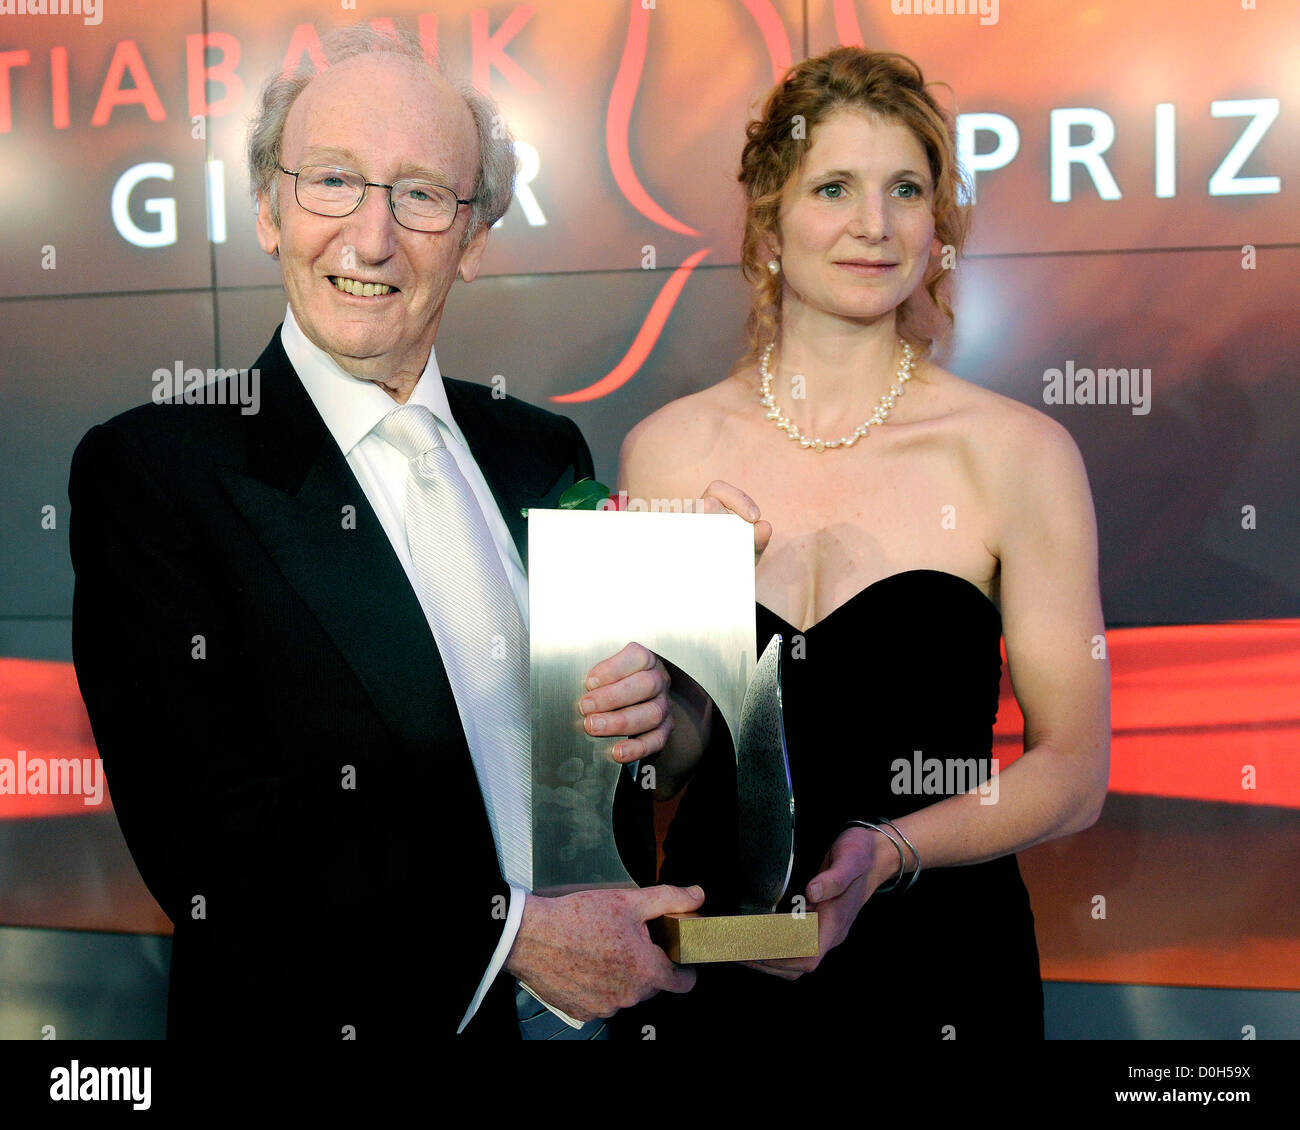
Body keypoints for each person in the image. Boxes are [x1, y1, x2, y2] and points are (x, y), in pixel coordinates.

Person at [68, 25, 766, 1043]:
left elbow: (617, 768)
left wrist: (655, 703)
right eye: (334, 182)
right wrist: (513, 935)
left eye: (421, 194)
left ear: (474, 239)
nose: (371, 236)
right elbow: (209, 843)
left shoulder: (540, 449)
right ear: (268, 209)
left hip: (600, 1023)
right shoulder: (156, 474)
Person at [615, 46, 1110, 1041]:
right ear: (768, 220)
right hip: (716, 963)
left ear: (937, 225)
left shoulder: (1018, 453)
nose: (872, 225)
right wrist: (647, 701)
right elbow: (662, 767)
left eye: (905, 190)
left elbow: (1073, 767)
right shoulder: (667, 449)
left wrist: (884, 850)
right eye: (833, 186)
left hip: (939, 966)